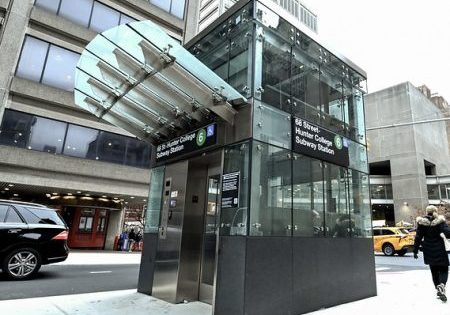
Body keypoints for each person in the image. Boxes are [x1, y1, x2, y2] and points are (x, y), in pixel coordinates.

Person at [413, 205, 450, 302]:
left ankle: (438, 288)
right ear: (435, 211)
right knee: (444, 269)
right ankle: (442, 285)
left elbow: (418, 238)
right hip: (440, 250)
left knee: (434, 272)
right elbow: (448, 232)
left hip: (428, 250)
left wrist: (415, 250)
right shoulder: (440, 221)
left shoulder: (421, 222)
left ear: (426, 212)